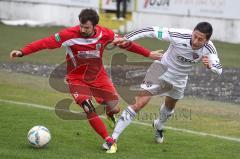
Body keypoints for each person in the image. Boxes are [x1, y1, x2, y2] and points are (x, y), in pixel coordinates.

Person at [9, 8, 161, 151]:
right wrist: (22, 52)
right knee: (88, 107)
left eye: (86, 28)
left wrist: (148, 54)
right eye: (81, 26)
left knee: (115, 108)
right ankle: (108, 140)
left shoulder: (105, 34)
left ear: (95, 26)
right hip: (76, 79)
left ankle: (109, 112)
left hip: (98, 76)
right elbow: (45, 43)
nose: (82, 30)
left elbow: (125, 44)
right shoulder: (69, 34)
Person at [106, 22, 222, 153]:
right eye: (194, 36)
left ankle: (158, 126)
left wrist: (211, 66)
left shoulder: (209, 48)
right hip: (160, 70)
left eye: (200, 39)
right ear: (193, 32)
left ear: (207, 40)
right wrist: (126, 38)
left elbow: (219, 69)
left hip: (179, 79)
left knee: (169, 107)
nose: (195, 41)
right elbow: (151, 29)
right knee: (139, 103)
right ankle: (113, 139)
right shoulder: (179, 35)